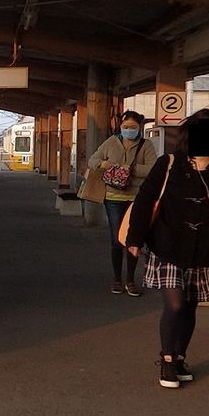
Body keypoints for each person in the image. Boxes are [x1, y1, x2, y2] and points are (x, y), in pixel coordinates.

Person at [124, 108, 209, 388]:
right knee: (175, 304)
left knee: (189, 307)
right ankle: (166, 360)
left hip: (203, 250)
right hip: (167, 246)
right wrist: (134, 239)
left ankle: (179, 358)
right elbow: (144, 200)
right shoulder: (169, 163)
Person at [87, 111, 157, 296]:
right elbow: (92, 160)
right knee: (117, 239)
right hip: (113, 197)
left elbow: (153, 168)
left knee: (133, 240)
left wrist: (131, 169)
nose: (128, 130)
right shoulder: (111, 142)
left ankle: (131, 280)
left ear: (139, 127)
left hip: (137, 199)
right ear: (120, 127)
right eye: (125, 127)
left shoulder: (146, 145)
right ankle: (117, 280)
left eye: (133, 127)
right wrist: (104, 165)